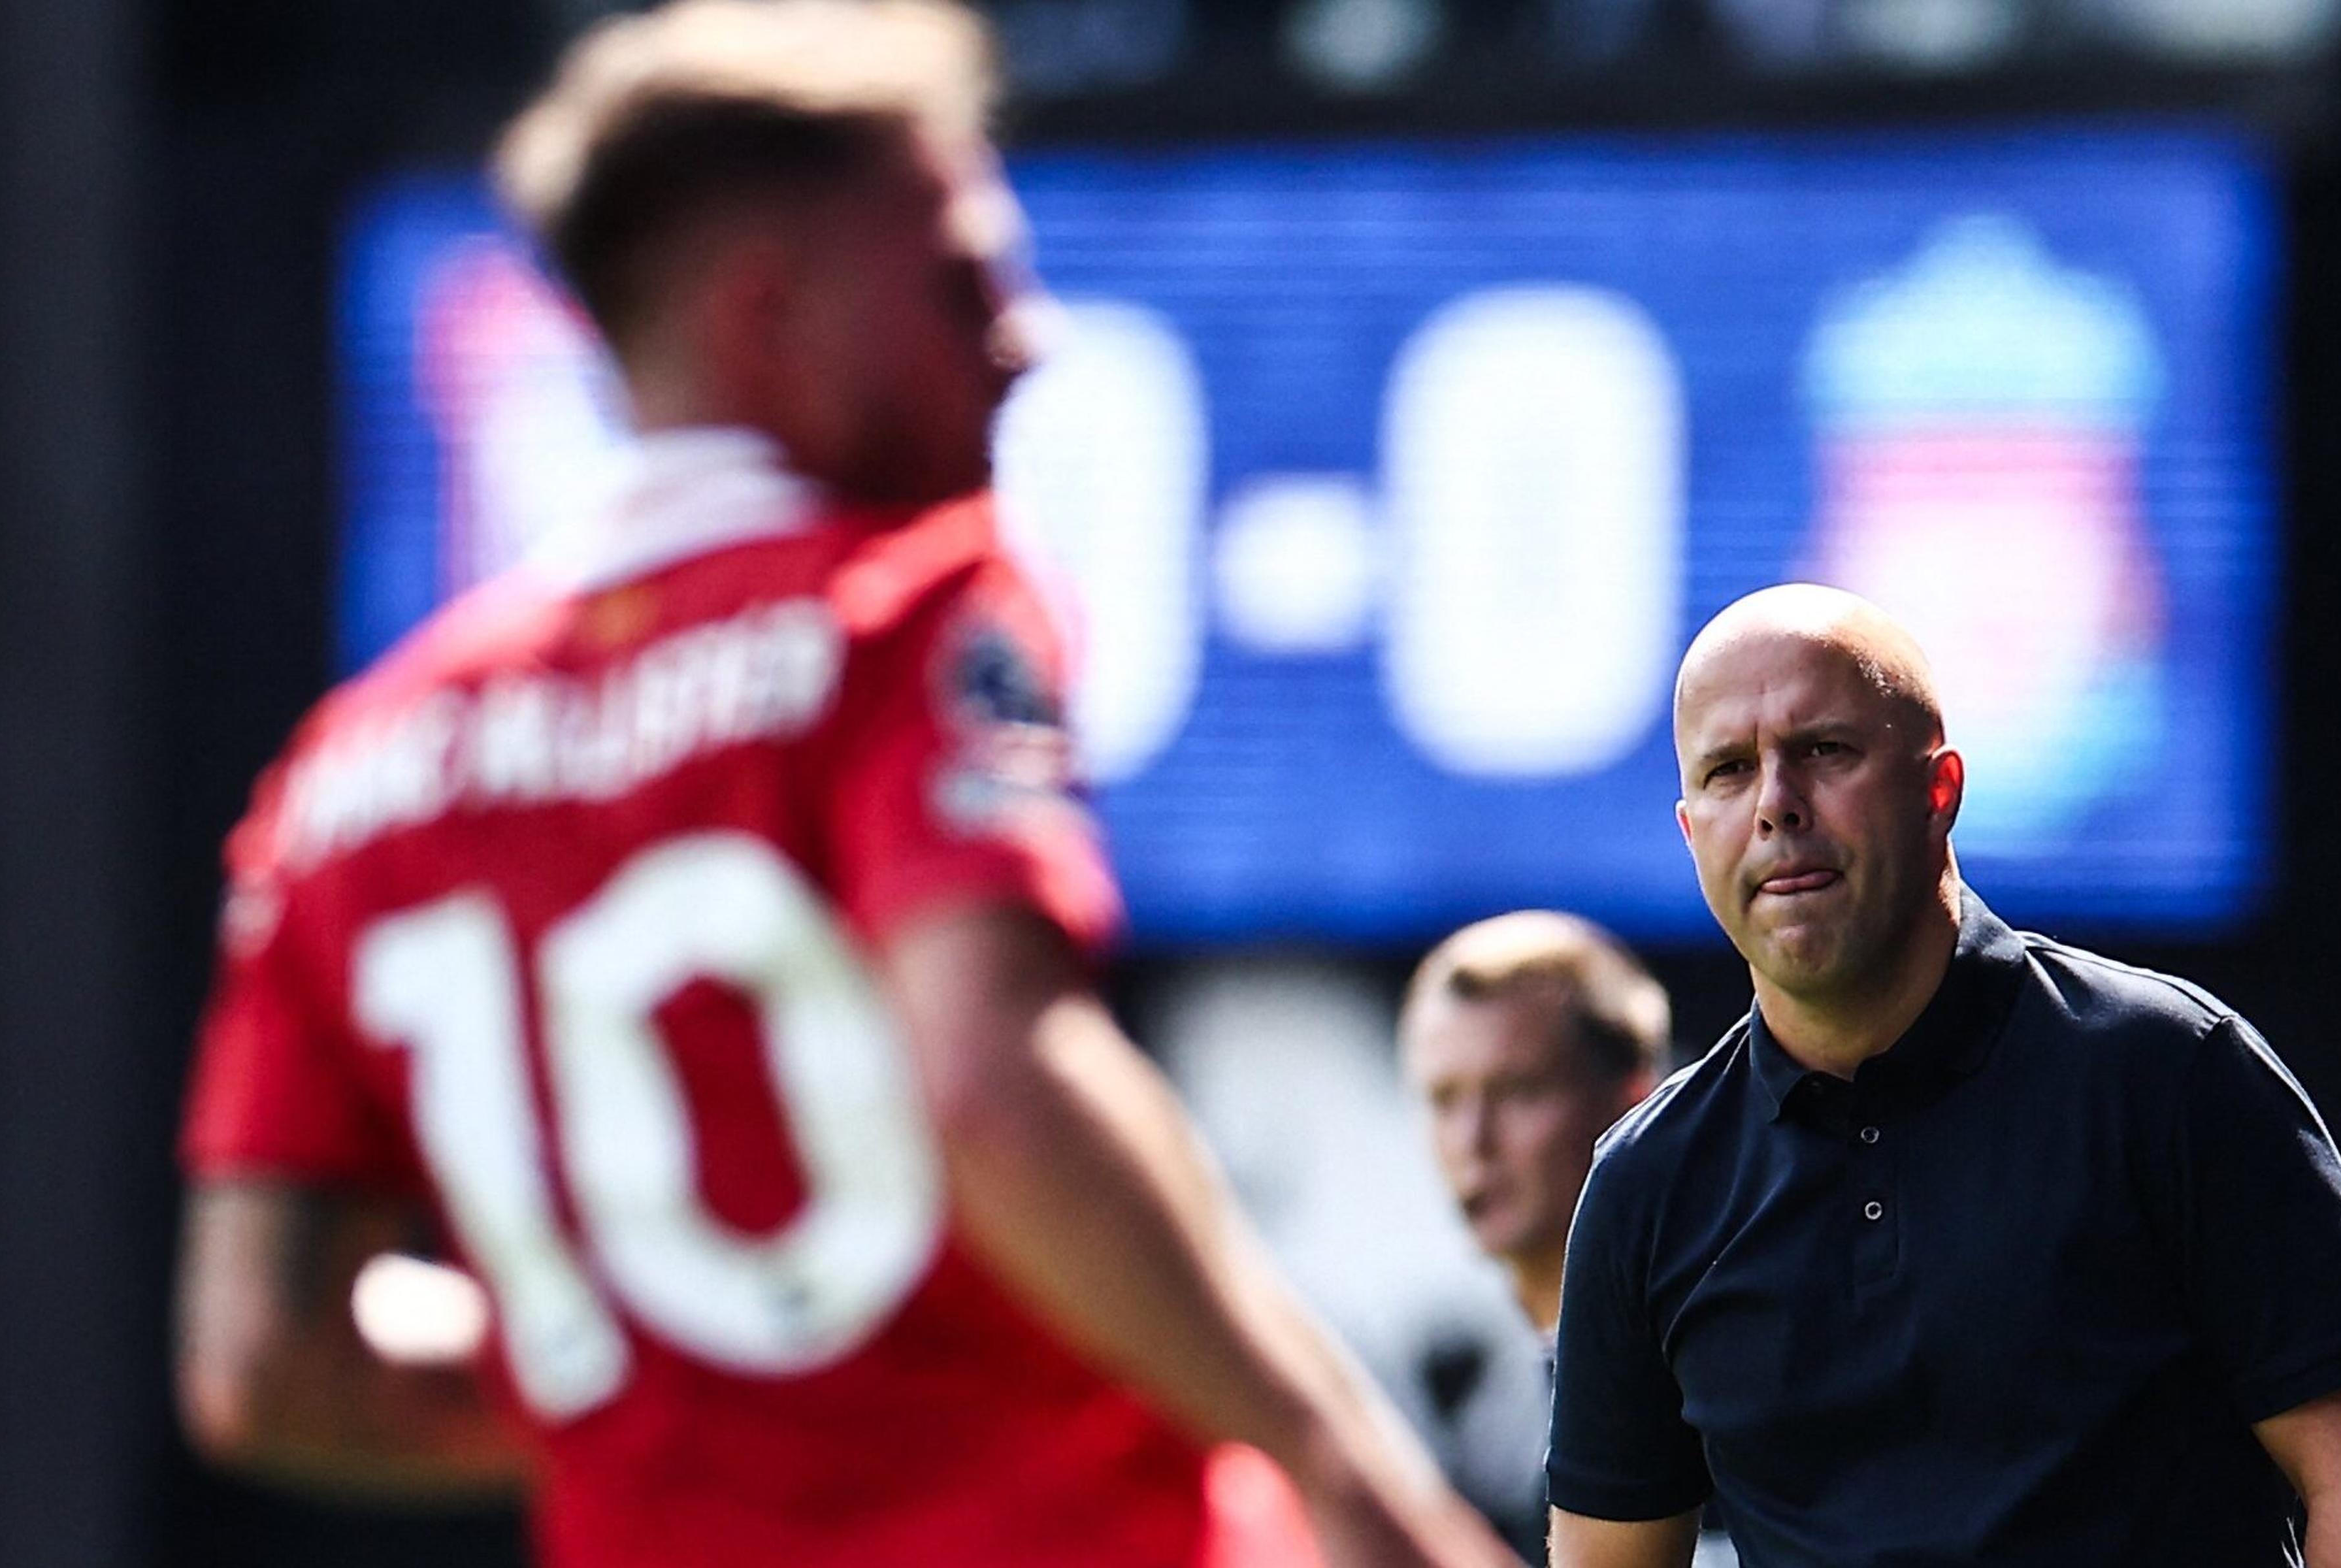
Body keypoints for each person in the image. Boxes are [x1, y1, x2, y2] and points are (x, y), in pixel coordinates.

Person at [170, 6, 1517, 1567]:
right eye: (961, 276)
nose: (1028, 333)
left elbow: (260, 1359)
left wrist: (650, 1367)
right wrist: (1348, 1473)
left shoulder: (349, 776)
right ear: (767, 315)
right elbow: (989, 1085)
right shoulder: (905, 604)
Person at [1547, 584, 2341, 1567]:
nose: (1776, 805)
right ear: (1691, 834)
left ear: (1939, 791)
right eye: (1729, 771)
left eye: (1824, 751)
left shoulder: (2168, 1073)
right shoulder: (1647, 1185)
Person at [1400, 912, 1679, 1566]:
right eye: (1444, 1099)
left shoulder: (1710, 1376)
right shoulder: (1473, 1398)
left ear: (1633, 1100)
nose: (1474, 1141)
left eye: (1518, 1092)